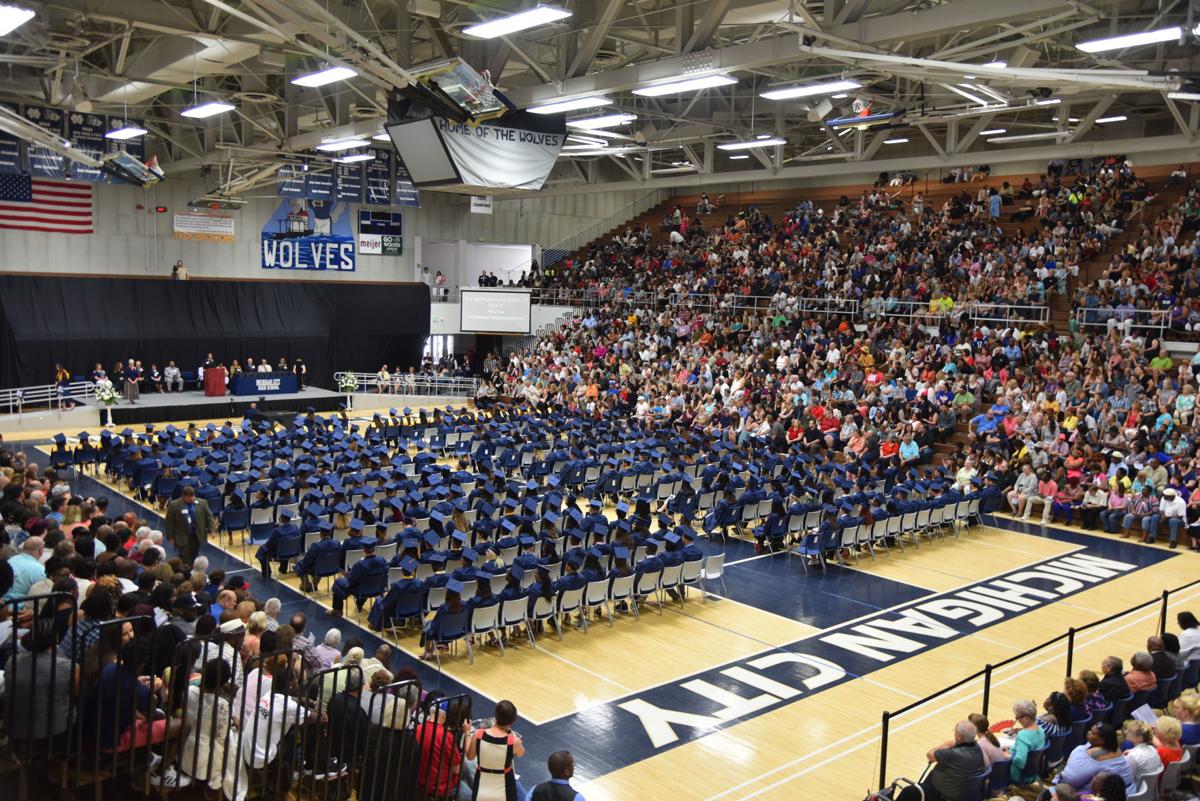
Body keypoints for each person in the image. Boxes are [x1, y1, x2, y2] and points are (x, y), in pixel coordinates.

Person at [465, 699, 527, 801]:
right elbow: (521, 753)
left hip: (482, 781)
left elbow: (469, 756)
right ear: (513, 720)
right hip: (504, 783)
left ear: (495, 716)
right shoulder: (513, 740)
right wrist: (511, 735)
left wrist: (467, 733)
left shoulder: (478, 734)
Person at [1053, 722, 1134, 791]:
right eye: (1090, 730)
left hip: (1111, 795)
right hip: (1126, 789)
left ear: (1102, 740)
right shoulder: (1113, 746)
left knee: (1056, 791)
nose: (1088, 732)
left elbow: (1069, 780)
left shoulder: (1097, 754)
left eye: (1093, 733)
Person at [922, 720, 985, 801]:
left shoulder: (954, 754)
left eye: (955, 731)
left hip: (944, 794)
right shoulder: (978, 748)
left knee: (910, 791)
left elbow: (930, 755)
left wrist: (947, 744)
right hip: (966, 792)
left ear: (959, 737)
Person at [164, 485, 216, 566]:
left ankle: (188, 570)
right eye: (189, 497)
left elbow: (209, 517)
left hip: (197, 536)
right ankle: (186, 572)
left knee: (194, 555)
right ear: (183, 496)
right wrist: (170, 537)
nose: (191, 499)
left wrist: (212, 530)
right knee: (185, 558)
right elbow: (169, 523)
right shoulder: (174, 505)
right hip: (181, 536)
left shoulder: (202, 503)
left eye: (193, 496)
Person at [1008, 699, 1048, 787]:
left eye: (1017, 717)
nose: (1017, 720)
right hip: (1033, 771)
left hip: (1018, 774)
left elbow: (1019, 761)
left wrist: (1007, 756)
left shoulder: (1023, 735)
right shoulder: (1040, 729)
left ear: (1026, 717)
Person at [1120, 720, 1162, 786]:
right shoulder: (1152, 749)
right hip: (1153, 787)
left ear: (1139, 737)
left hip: (1139, 790)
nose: (1126, 732)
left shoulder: (1132, 756)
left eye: (1130, 732)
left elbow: (1127, 779)